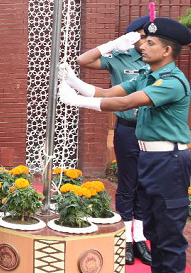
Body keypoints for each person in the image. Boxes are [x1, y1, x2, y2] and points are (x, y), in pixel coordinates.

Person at [59, 17, 191, 273]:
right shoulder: (147, 75)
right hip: (150, 158)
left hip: (169, 162)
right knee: (154, 228)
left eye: (150, 42)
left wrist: (75, 101)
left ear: (166, 51)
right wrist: (75, 83)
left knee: (169, 235)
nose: (142, 46)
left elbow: (125, 103)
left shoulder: (172, 82)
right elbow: (110, 94)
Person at [72, 15, 151, 265]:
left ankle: (140, 238)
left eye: (149, 36)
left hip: (152, 129)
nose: (146, 40)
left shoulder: (153, 61)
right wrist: (114, 44)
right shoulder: (120, 58)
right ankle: (125, 238)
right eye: (142, 35)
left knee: (145, 185)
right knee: (128, 183)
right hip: (127, 129)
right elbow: (83, 61)